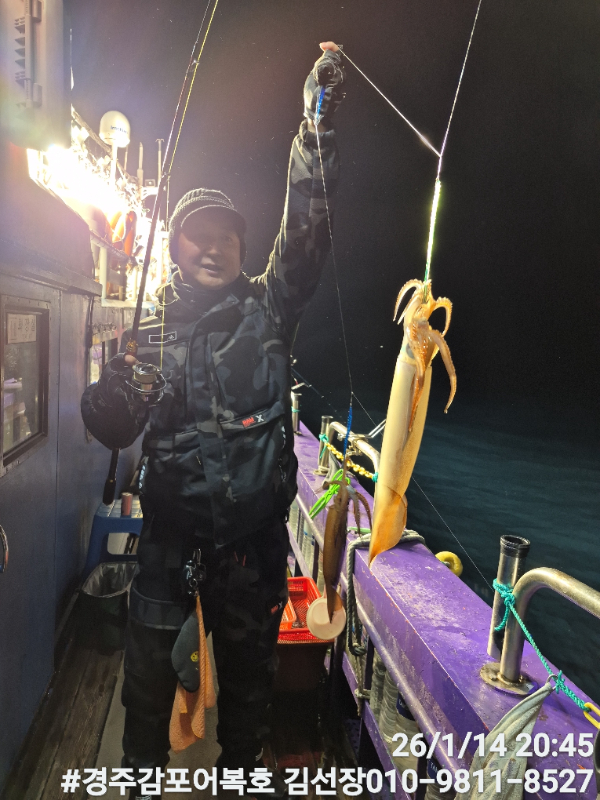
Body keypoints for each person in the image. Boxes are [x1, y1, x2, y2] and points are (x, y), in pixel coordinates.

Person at [81, 42, 345, 799]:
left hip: (254, 554)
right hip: (168, 549)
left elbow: (307, 236)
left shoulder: (270, 307)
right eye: (198, 234)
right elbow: (114, 428)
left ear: (241, 249)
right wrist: (107, 402)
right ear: (175, 247)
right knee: (143, 709)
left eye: (228, 235)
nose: (214, 245)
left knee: (248, 721)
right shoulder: (148, 328)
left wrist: (316, 129)